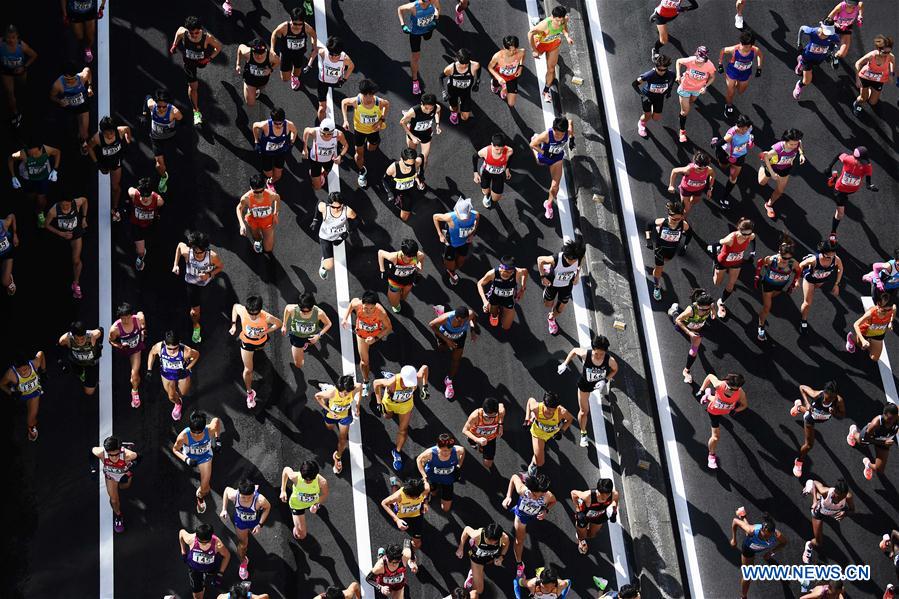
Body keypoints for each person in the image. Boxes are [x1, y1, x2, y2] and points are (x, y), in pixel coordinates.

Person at [557, 335, 618, 446]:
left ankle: (605, 392)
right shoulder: (586, 354)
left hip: (598, 384)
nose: (599, 356)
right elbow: (574, 351)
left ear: (606, 352)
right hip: (585, 385)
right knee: (584, 411)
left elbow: (615, 370)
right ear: (592, 350)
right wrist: (565, 364)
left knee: (602, 393)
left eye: (602, 354)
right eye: (596, 353)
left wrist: (605, 380)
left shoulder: (610, 361)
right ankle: (583, 433)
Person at [373, 364, 429, 472]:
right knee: (387, 417)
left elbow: (425, 368)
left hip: (405, 405)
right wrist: (379, 403)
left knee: (403, 430)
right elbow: (376, 383)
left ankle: (397, 452)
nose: (409, 385)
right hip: (390, 403)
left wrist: (425, 387)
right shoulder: (393, 382)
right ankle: (389, 376)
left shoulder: (416, 377)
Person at [168, 16, 222, 125]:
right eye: (191, 33)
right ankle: (196, 111)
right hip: (189, 64)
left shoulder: (207, 38)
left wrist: (209, 58)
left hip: (202, 61)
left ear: (200, 30)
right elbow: (178, 32)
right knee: (193, 87)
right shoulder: (184, 32)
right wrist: (174, 45)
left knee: (200, 68)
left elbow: (219, 47)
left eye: (196, 33)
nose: (193, 36)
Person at [230, 296, 282, 408]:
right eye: (251, 314)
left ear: (260, 310)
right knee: (248, 370)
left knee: (259, 350)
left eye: (256, 313)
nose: (253, 316)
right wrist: (234, 324)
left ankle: (258, 350)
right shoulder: (243, 311)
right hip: (247, 343)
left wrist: (266, 332)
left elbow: (279, 323)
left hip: (260, 342)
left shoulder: (266, 317)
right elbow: (235, 307)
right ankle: (250, 393)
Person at [172, 231, 224, 343]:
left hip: (206, 283)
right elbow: (180, 246)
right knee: (195, 312)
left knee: (209, 305)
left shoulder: (212, 256)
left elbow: (220, 267)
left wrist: (209, 274)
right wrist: (175, 265)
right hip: (192, 284)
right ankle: (196, 326)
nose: (198, 255)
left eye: (200, 253)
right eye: (196, 253)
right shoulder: (188, 252)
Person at [501, 472, 555, 580]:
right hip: (522, 516)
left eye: (538, 495)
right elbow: (513, 477)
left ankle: (530, 473)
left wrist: (545, 510)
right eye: (533, 494)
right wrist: (508, 496)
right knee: (519, 541)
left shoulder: (547, 496)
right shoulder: (523, 490)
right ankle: (519, 563)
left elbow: (553, 501)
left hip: (534, 515)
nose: (534, 497)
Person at [790, 381, 845, 477]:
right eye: (828, 398)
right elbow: (802, 387)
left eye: (832, 398)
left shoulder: (839, 400)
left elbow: (842, 414)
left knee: (813, 413)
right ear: (825, 393)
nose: (829, 401)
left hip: (818, 416)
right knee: (809, 445)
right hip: (810, 419)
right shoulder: (817, 395)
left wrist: (835, 413)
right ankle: (798, 462)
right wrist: (807, 403)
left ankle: (798, 407)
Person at [219, 479, 271, 581]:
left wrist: (260, 524)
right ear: (239, 492)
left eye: (249, 497)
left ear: (254, 493)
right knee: (243, 545)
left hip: (254, 522)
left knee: (245, 542)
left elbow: (268, 507)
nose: (246, 499)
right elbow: (226, 490)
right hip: (241, 522)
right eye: (243, 497)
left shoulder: (260, 500)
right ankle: (243, 563)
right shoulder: (234, 495)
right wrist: (224, 509)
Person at [341, 79, 390, 188]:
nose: (369, 98)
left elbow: (387, 105)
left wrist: (381, 120)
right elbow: (344, 102)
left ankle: (374, 143)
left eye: (371, 95)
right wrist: (345, 120)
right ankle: (362, 172)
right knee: (359, 154)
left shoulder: (378, 102)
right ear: (362, 94)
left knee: (371, 148)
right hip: (359, 131)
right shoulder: (356, 101)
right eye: (366, 95)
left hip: (373, 131)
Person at [342, 291, 392, 394]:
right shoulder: (358, 304)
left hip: (375, 334)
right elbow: (352, 303)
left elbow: (388, 328)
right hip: (362, 335)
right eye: (366, 308)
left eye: (371, 308)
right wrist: (345, 318)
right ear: (362, 304)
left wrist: (376, 338)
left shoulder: (381, 312)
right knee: (364, 362)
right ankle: (366, 381)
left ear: (376, 306)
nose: (368, 311)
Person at [172, 411, 223, 514]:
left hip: (205, 457)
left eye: (198, 432)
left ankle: (199, 496)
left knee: (204, 489)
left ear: (204, 428)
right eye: (193, 432)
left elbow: (216, 421)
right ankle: (202, 493)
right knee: (206, 488)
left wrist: (218, 440)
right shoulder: (183, 436)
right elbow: (175, 449)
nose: (195, 435)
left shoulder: (209, 430)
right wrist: (186, 459)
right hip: (190, 456)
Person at [695, 372, 748, 469]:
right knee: (715, 437)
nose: (731, 391)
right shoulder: (719, 385)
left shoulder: (740, 393)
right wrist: (701, 390)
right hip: (714, 412)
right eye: (730, 388)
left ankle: (707, 396)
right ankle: (711, 456)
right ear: (726, 382)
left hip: (724, 409)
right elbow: (710, 376)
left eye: (734, 390)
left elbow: (744, 405)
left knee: (718, 400)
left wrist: (736, 410)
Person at [730, 510, 787, 599]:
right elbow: (734, 521)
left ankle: (743, 515)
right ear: (761, 530)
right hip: (748, 549)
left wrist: (771, 552)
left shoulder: (777, 535)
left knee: (749, 534)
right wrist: (734, 539)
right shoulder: (752, 530)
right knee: (748, 575)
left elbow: (784, 543)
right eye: (765, 536)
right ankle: (743, 596)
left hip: (757, 546)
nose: (767, 539)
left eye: (769, 536)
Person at [754, 235, 801, 341]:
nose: (786, 260)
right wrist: (757, 277)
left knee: (775, 296)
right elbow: (760, 262)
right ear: (779, 252)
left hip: (780, 286)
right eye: (784, 258)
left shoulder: (792, 263)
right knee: (767, 307)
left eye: (789, 258)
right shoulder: (772, 260)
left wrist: (794, 283)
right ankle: (761, 327)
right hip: (767, 285)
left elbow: (799, 271)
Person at [644, 200, 693, 302]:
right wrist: (648, 240)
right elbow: (648, 224)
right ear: (669, 215)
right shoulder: (663, 221)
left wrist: (685, 247)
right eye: (673, 218)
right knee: (659, 269)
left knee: (666, 261)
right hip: (660, 249)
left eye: (678, 219)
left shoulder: (683, 225)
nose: (675, 221)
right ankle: (657, 287)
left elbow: (689, 234)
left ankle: (658, 272)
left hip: (672, 251)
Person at [147, 330, 200, 420]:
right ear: (165, 343)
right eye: (169, 348)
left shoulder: (186, 351)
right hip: (167, 374)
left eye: (175, 348)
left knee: (182, 394)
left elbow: (197, 355)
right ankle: (178, 404)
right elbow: (152, 354)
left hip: (182, 374)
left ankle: (179, 400)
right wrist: (149, 369)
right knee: (171, 396)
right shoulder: (159, 347)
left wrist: (189, 367)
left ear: (179, 344)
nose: (172, 351)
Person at [538, 237, 586, 335]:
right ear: (565, 256)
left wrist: (577, 275)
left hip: (566, 286)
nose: (572, 262)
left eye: (574, 260)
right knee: (548, 304)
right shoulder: (556, 258)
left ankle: (551, 318)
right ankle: (549, 270)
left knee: (560, 308)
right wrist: (543, 277)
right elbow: (540, 260)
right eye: (570, 260)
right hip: (553, 284)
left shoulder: (579, 257)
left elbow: (581, 262)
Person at [429, 305, 479, 399]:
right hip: (445, 335)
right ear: (455, 317)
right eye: (460, 321)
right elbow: (431, 324)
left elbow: (473, 319)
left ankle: (449, 380)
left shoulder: (470, 314)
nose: (462, 323)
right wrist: (447, 340)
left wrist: (472, 331)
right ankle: (441, 312)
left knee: (456, 360)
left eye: (465, 321)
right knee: (442, 349)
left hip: (459, 337)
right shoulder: (447, 318)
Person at [314, 375, 361, 474]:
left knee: (343, 440)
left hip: (344, 417)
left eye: (345, 393)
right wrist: (329, 410)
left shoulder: (355, 388)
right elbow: (317, 396)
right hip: (331, 415)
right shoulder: (333, 393)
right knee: (329, 428)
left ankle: (337, 457)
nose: (343, 394)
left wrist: (357, 405)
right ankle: (326, 387)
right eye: (341, 392)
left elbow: (360, 387)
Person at [529, 116, 574, 220]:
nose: (559, 137)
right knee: (538, 161)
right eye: (557, 134)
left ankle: (548, 204)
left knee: (555, 186)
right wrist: (544, 153)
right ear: (553, 129)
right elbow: (531, 145)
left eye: (562, 134)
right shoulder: (547, 134)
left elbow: (570, 121)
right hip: (545, 156)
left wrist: (572, 139)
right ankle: (536, 138)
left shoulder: (567, 132)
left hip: (557, 159)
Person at [709, 218, 755, 317]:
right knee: (717, 283)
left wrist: (752, 253)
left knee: (731, 284)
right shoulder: (730, 238)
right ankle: (716, 261)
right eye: (744, 234)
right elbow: (713, 245)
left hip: (737, 262)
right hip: (723, 261)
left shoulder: (750, 236)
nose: (746, 237)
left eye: (748, 234)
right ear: (739, 230)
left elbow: (753, 239)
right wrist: (716, 261)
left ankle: (721, 302)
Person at [8, 140, 60, 227]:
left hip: (42, 177)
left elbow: (58, 152)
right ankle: (32, 206)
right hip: (28, 178)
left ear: (40, 149)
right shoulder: (21, 154)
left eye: (36, 153)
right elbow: (10, 159)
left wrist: (55, 170)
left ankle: (40, 213)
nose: (34, 156)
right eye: (31, 154)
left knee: (41, 199)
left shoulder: (47, 150)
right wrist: (13, 176)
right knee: (31, 197)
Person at [667, 289, 715, 384]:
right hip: (685, 326)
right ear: (697, 305)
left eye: (707, 309)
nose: (705, 311)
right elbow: (679, 321)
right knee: (675, 317)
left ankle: (686, 371)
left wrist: (713, 313)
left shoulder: (710, 306)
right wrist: (689, 332)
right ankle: (673, 311)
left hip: (698, 329)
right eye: (703, 309)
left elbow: (712, 309)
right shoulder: (691, 310)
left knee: (694, 351)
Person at [88, 116, 132, 220]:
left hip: (116, 162)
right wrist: (96, 163)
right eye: (106, 133)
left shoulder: (120, 131)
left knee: (115, 187)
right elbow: (89, 148)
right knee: (104, 174)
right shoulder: (97, 138)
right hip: (103, 162)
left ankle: (115, 207)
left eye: (111, 132)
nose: (109, 135)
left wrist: (128, 139)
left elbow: (127, 129)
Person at [827, 146, 877, 237]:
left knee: (844, 199)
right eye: (860, 161)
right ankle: (833, 232)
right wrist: (829, 167)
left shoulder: (867, 166)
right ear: (854, 158)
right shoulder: (848, 159)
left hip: (852, 190)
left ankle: (834, 177)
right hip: (840, 189)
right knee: (840, 213)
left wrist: (870, 187)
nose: (862, 164)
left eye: (864, 161)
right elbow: (839, 154)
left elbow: (868, 183)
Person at [801, 478, 853, 564]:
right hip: (819, 512)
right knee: (818, 543)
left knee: (823, 500)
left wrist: (845, 513)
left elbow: (852, 510)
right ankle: (809, 545)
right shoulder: (825, 492)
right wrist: (814, 501)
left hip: (830, 512)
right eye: (839, 497)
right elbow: (815, 482)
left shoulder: (848, 496)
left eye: (843, 497)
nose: (841, 499)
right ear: (834, 493)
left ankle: (811, 491)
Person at [46, 195, 88, 299]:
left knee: (76, 260)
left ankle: (76, 283)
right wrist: (60, 233)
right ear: (59, 203)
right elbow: (46, 225)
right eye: (63, 204)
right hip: (61, 235)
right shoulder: (53, 211)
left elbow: (85, 200)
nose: (65, 206)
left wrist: (83, 218)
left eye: (67, 204)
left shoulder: (76, 203)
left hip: (76, 233)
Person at [528, 6, 573, 102]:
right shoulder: (545, 24)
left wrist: (567, 36)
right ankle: (537, 22)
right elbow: (530, 34)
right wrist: (534, 50)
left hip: (553, 43)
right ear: (552, 17)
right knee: (536, 55)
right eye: (557, 21)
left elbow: (564, 27)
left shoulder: (564, 19)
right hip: (541, 43)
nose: (559, 23)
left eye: (561, 20)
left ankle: (546, 91)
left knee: (551, 69)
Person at [92, 436, 137, 533]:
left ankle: (126, 447)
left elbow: (139, 458)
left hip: (124, 473)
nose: (113, 458)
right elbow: (91, 452)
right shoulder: (100, 452)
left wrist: (130, 471)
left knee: (124, 487)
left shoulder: (129, 455)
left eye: (116, 454)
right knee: (114, 500)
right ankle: (118, 516)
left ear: (120, 450)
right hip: (111, 476)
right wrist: (93, 469)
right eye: (110, 455)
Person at [142, 88, 183, 193]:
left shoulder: (174, 112)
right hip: (156, 139)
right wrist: (144, 114)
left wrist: (173, 129)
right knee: (159, 165)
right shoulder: (152, 106)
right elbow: (147, 96)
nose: (161, 109)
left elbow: (183, 121)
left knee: (173, 161)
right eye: (159, 106)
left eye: (164, 107)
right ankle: (164, 177)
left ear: (168, 104)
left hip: (170, 139)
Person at [757, 129, 805, 219]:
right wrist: (771, 172)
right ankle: (762, 167)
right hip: (772, 167)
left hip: (785, 168)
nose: (794, 146)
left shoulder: (797, 143)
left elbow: (800, 143)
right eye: (791, 144)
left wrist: (801, 154)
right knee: (761, 183)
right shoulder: (778, 148)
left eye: (795, 144)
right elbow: (766, 157)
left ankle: (769, 205)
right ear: (785, 141)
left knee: (780, 191)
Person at [798, 239, 843, 333]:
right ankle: (803, 320)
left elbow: (840, 269)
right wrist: (797, 280)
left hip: (821, 280)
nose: (830, 258)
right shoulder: (814, 260)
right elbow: (800, 265)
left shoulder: (836, 259)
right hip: (809, 279)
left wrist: (836, 284)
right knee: (807, 303)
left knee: (814, 289)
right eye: (827, 256)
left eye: (832, 256)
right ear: (822, 253)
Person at [397, 0, 440, 95]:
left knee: (427, 38)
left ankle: (427, 32)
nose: (426, 2)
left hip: (428, 29)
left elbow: (437, 8)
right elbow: (400, 9)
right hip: (415, 33)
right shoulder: (413, 6)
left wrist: (436, 19)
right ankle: (415, 81)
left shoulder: (433, 1)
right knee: (415, 57)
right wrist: (403, 25)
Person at [433, 197, 479, 285]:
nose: (464, 218)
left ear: (470, 210)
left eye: (466, 215)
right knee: (450, 266)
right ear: (456, 211)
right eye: (461, 216)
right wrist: (440, 234)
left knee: (460, 263)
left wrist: (472, 234)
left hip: (465, 243)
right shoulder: (450, 217)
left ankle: (452, 268)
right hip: (451, 244)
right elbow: (435, 217)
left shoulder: (475, 215)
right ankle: (451, 272)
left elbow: (477, 222)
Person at [674, 46, 715, 143]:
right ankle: (682, 131)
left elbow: (712, 77)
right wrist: (678, 74)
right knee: (685, 112)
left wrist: (705, 86)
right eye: (698, 59)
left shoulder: (709, 65)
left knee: (691, 101)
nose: (699, 62)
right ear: (696, 55)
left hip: (697, 89)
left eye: (702, 60)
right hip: (685, 88)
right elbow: (678, 61)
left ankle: (685, 108)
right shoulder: (690, 60)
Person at [1, 351, 46, 441]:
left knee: (30, 419)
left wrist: (44, 371)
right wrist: (11, 393)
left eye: (25, 369)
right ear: (15, 369)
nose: (23, 372)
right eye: (19, 371)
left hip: (34, 393)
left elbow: (41, 353)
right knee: (25, 407)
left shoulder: (34, 363)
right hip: (20, 395)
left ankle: (32, 428)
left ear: (29, 365)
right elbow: (1, 384)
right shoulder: (10, 374)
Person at [281, 460, 330, 541]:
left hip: (312, 503)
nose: (308, 482)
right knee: (301, 535)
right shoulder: (295, 477)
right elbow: (286, 470)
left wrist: (316, 505)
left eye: (311, 480)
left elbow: (325, 494)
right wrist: (283, 490)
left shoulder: (322, 482)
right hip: (297, 505)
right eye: (305, 480)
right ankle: (296, 527)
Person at [848, 403, 899, 480]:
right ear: (884, 414)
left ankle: (867, 464)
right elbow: (866, 438)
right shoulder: (876, 423)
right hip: (871, 436)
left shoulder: (896, 417)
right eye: (889, 419)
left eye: (893, 419)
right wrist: (883, 442)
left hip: (883, 442)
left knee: (880, 470)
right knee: (861, 442)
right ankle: (853, 432)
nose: (890, 422)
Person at [717, 31, 763, 117]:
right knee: (731, 91)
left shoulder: (755, 50)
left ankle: (737, 84)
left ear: (751, 45)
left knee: (741, 91)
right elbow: (722, 51)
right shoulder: (734, 49)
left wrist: (759, 68)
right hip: (733, 72)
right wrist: (720, 64)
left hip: (745, 73)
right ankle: (729, 106)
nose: (743, 47)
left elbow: (760, 56)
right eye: (742, 44)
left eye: (746, 46)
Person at [711, 114, 753, 208]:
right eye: (742, 129)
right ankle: (714, 141)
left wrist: (750, 141)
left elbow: (750, 135)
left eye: (746, 129)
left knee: (733, 177)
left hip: (739, 157)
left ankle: (724, 198)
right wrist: (715, 145)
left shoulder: (749, 128)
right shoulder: (730, 135)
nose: (744, 131)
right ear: (737, 125)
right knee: (723, 167)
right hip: (725, 154)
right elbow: (719, 145)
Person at [109, 302, 146, 407]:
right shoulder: (115, 329)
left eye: (127, 317)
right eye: (122, 318)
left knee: (134, 375)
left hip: (136, 349)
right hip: (124, 349)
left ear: (132, 315)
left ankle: (134, 391)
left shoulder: (139, 319)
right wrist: (120, 345)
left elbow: (142, 320)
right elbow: (110, 341)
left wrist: (143, 332)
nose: (125, 320)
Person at [49, 61, 92, 152]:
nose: (71, 81)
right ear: (63, 76)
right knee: (69, 131)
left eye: (73, 78)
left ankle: (83, 142)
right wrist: (59, 101)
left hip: (82, 106)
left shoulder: (81, 77)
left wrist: (89, 87)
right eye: (68, 80)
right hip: (68, 108)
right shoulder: (58, 84)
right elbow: (52, 96)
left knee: (84, 134)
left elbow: (88, 70)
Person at [308, 36, 354, 121]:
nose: (333, 57)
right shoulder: (324, 52)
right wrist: (309, 64)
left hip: (336, 82)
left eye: (336, 55)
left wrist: (344, 79)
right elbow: (315, 50)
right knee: (322, 109)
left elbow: (351, 66)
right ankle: (322, 125)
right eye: (331, 54)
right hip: (323, 82)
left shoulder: (345, 59)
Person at [455, 523, 509, 596]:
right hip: (477, 559)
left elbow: (507, 544)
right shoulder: (477, 535)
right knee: (478, 591)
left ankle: (476, 572)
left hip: (490, 558)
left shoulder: (504, 538)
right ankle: (472, 575)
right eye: (489, 541)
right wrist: (460, 547)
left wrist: (501, 557)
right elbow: (466, 529)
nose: (491, 543)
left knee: (489, 563)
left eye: (494, 542)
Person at [313, 191, 357, 280]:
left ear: (342, 204)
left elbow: (356, 221)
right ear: (329, 204)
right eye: (333, 207)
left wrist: (347, 233)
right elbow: (319, 203)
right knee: (329, 265)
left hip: (339, 236)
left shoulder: (348, 211)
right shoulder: (324, 208)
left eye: (339, 207)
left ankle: (326, 258)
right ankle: (323, 265)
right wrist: (315, 219)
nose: (336, 209)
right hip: (325, 237)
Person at [271, 7, 317, 91]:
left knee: (297, 73)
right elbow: (274, 34)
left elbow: (313, 35)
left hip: (299, 54)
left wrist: (314, 47)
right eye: (295, 24)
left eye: (300, 24)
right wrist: (272, 49)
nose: (298, 26)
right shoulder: (284, 27)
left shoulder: (306, 27)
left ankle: (294, 78)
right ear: (290, 19)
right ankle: (290, 74)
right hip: (286, 54)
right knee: (285, 79)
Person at [281, 292, 331, 369]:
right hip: (297, 337)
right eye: (302, 311)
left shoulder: (319, 313)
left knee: (310, 342)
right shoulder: (293, 309)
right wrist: (284, 325)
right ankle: (299, 347)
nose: (304, 313)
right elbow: (287, 308)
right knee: (299, 364)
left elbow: (328, 324)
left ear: (313, 307)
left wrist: (318, 335)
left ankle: (306, 344)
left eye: (307, 311)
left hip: (311, 335)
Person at [179, 524, 230, 599]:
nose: (202, 544)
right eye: (200, 541)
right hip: (195, 570)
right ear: (197, 537)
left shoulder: (218, 544)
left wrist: (220, 573)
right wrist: (183, 551)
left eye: (205, 542)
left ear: (211, 538)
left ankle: (208, 575)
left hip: (210, 567)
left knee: (211, 574)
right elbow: (181, 533)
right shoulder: (191, 539)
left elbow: (227, 556)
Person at [793, 19, 841, 100]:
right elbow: (802, 28)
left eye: (829, 31)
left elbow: (836, 43)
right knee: (807, 81)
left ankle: (800, 62)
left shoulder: (832, 36)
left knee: (814, 67)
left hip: (819, 59)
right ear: (821, 26)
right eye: (826, 31)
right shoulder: (813, 31)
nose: (827, 34)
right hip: (807, 58)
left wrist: (831, 53)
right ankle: (799, 85)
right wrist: (799, 43)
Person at [416, 433, 465, 512]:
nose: (447, 453)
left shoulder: (458, 450)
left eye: (450, 450)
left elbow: (463, 453)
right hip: (432, 477)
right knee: (433, 493)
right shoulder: (430, 453)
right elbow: (418, 459)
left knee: (445, 509)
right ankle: (433, 491)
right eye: (444, 450)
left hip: (448, 479)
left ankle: (438, 491)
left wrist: (459, 465)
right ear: (438, 446)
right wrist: (423, 475)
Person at [477, 255, 527, 330]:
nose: (508, 274)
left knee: (506, 327)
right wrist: (485, 301)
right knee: (493, 313)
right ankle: (494, 315)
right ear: (501, 267)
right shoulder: (493, 273)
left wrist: (522, 289)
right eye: (506, 271)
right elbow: (480, 283)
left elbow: (525, 272)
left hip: (509, 298)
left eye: (511, 272)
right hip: (495, 296)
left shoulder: (517, 272)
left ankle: (502, 311)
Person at [524, 391, 574, 468]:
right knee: (540, 463)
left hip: (551, 434)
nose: (551, 412)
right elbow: (530, 400)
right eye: (548, 409)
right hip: (538, 434)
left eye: (554, 409)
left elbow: (570, 419)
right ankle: (533, 465)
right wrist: (526, 419)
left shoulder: (562, 412)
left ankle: (533, 416)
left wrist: (561, 431)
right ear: (543, 403)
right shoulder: (536, 407)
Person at [1, 24, 38, 127]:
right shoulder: (1, 43)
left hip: (20, 71)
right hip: (6, 71)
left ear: (17, 37)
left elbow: (34, 55)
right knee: (9, 93)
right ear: (5, 37)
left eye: (13, 37)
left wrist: (24, 67)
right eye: (8, 37)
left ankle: (25, 105)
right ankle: (15, 113)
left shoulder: (22, 46)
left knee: (22, 88)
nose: (10, 40)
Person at [252, 107, 298, 188]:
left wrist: (292, 140)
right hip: (266, 153)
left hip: (280, 152)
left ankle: (270, 182)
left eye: (281, 123)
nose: (279, 125)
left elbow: (294, 131)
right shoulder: (265, 125)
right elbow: (255, 126)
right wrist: (256, 140)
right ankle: (268, 177)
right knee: (268, 173)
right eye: (276, 123)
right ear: (272, 120)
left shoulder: (288, 125)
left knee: (277, 176)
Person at [633, 53, 676, 138]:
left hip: (659, 97)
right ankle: (641, 124)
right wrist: (642, 96)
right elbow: (634, 84)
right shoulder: (649, 75)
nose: (661, 72)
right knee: (647, 116)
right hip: (647, 97)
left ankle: (651, 110)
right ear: (655, 67)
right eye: (659, 69)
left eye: (664, 70)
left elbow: (670, 83)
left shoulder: (671, 74)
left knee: (656, 118)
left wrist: (669, 92)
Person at [571, 479, 619, 554]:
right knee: (583, 535)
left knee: (591, 535)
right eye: (602, 494)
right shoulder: (588, 496)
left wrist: (614, 512)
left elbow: (615, 502)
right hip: (585, 517)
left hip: (599, 516)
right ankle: (581, 539)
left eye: (607, 494)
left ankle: (584, 533)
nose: (605, 497)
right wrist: (578, 508)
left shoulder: (614, 494)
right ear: (598, 491)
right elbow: (573, 493)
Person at [236, 173, 280, 255]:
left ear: (264, 187)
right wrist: (242, 224)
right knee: (256, 237)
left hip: (267, 221)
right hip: (253, 220)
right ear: (251, 188)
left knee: (268, 249)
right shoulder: (246, 198)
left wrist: (275, 214)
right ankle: (258, 242)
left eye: (262, 191)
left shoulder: (271, 195)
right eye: (256, 192)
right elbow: (239, 208)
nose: (259, 194)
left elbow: (278, 199)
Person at [400, 94, 441, 181]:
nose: (429, 111)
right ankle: (411, 174)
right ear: (422, 104)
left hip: (426, 133)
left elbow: (437, 112)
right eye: (426, 108)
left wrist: (437, 124)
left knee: (425, 159)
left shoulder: (436, 107)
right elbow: (402, 122)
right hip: (413, 134)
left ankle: (420, 175)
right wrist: (412, 136)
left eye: (431, 108)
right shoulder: (414, 111)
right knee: (412, 157)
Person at [301, 118, 349, 192]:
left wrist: (340, 156)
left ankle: (322, 175)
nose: (326, 135)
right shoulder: (315, 132)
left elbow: (346, 146)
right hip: (315, 160)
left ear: (333, 131)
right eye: (323, 133)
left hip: (329, 160)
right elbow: (306, 130)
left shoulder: (338, 135)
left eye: (329, 134)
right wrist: (305, 148)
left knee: (326, 173)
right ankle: (315, 176)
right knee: (317, 187)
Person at [127, 178, 164, 272]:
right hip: (136, 225)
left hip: (150, 225)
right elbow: (130, 189)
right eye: (142, 195)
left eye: (147, 196)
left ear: (151, 193)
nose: (144, 198)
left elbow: (160, 208)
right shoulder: (133, 194)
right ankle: (140, 257)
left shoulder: (158, 200)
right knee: (140, 252)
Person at [378, 238, 425, 313]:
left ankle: (401, 298)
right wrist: (382, 271)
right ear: (403, 252)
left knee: (403, 297)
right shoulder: (394, 257)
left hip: (409, 279)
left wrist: (418, 272)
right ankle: (396, 305)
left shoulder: (419, 256)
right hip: (395, 281)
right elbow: (380, 253)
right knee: (394, 302)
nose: (410, 258)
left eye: (413, 256)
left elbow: (421, 262)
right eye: (408, 256)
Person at [846, 291, 895, 361]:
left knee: (874, 358)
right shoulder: (871, 313)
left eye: (889, 310)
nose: (887, 312)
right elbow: (856, 324)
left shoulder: (892, 308)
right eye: (884, 310)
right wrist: (863, 340)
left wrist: (890, 322)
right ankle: (851, 337)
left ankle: (869, 342)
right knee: (860, 345)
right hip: (865, 332)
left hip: (878, 334)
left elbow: (893, 312)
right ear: (878, 305)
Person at [381, 478, 430, 549]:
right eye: (408, 496)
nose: (409, 497)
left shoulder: (425, 489)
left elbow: (427, 490)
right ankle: (394, 485)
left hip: (417, 515)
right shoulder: (399, 495)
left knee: (417, 544)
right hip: (401, 515)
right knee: (394, 501)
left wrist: (425, 502)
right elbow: (384, 503)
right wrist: (397, 520)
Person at [57, 321, 102, 396]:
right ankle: (81, 374)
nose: (80, 342)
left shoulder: (93, 335)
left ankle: (93, 381)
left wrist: (99, 346)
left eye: (82, 339)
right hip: (76, 363)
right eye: (77, 339)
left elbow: (101, 330)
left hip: (91, 364)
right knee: (79, 375)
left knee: (89, 392)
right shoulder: (65, 339)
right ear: (72, 335)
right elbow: (58, 349)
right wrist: (62, 363)